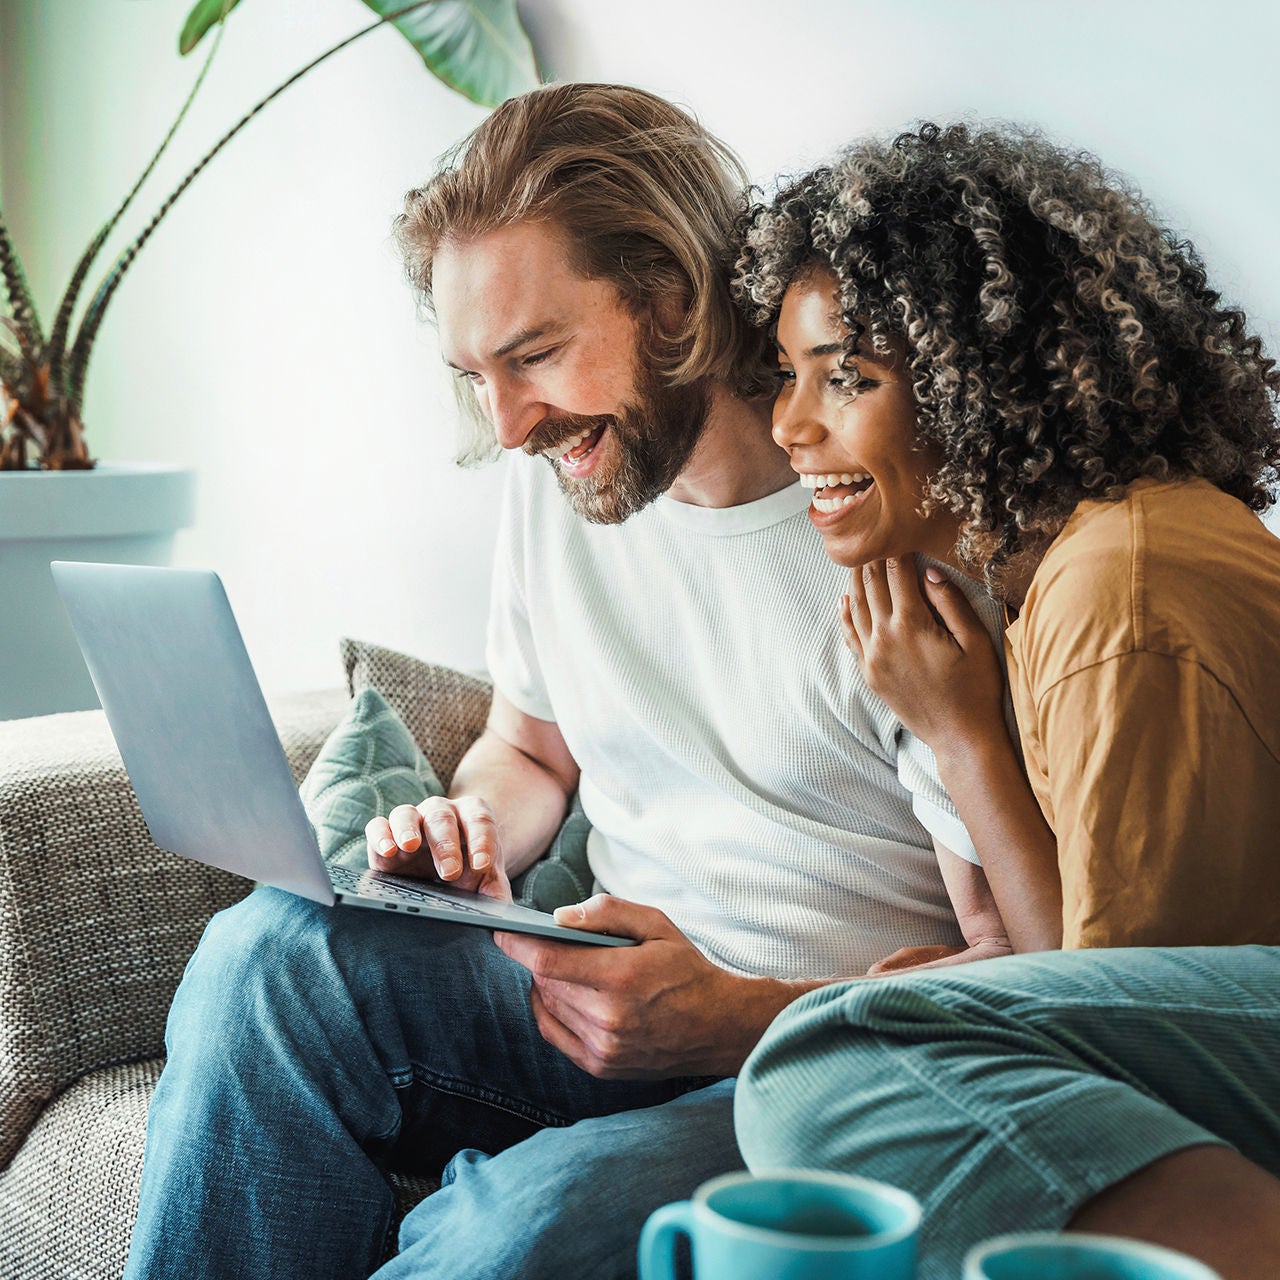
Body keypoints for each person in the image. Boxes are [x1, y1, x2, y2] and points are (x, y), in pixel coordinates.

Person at [125, 88, 1016, 1280]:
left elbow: (1020, 962)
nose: (505, 425)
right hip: (586, 999)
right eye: (475, 371)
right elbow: (533, 747)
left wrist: (740, 1006)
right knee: (273, 955)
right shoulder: (564, 479)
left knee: (503, 1235)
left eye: (534, 354)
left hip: (806, 1057)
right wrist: (469, 828)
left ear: (670, 300)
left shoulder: (883, 539)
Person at [730, 122, 1280, 1279]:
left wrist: (959, 734)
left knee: (825, 1057)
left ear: (980, 379)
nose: (790, 426)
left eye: (847, 378)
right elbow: (1100, 983)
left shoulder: (1118, 595)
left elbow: (1115, 1035)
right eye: (788, 375)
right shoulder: (1059, 573)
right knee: (863, 1030)